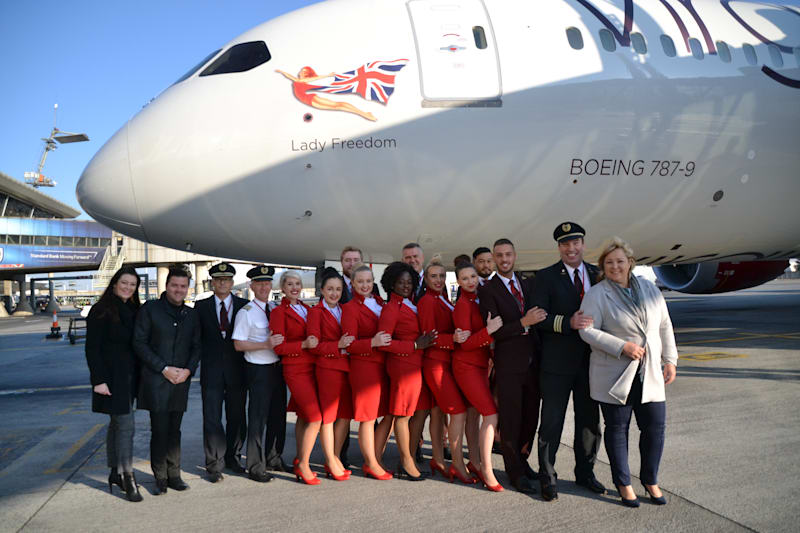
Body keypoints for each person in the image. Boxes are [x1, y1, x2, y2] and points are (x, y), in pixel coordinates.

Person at [578, 237, 678, 507]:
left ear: (630, 263)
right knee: (618, 430)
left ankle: (650, 480)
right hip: (616, 374)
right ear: (603, 266)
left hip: (649, 372)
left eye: (620, 261)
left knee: (655, 428)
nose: (615, 266)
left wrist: (670, 359)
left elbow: (664, 325)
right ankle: (623, 483)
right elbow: (586, 330)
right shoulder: (597, 294)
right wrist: (622, 346)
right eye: (609, 262)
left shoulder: (648, 288)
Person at [532, 222, 605, 501]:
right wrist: (567, 323)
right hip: (557, 363)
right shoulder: (546, 277)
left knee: (589, 422)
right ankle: (548, 477)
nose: (571, 248)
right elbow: (537, 315)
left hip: (591, 363)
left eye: (576, 243)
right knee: (551, 422)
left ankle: (586, 474)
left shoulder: (598, 274)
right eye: (565, 244)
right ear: (559, 248)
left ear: (583, 244)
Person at [478, 239, 546, 494]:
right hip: (509, 364)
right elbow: (494, 332)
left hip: (534, 362)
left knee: (531, 417)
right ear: (494, 258)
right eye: (499, 255)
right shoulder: (488, 290)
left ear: (515, 255)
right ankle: (514, 471)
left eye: (508, 254)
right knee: (511, 419)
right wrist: (523, 322)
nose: (504, 259)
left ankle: (522, 461)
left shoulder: (528, 284)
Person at [133, 265, 200, 495]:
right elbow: (139, 343)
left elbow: (196, 347)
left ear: (187, 288)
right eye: (175, 285)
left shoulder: (191, 315)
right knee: (160, 429)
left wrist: (188, 371)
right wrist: (163, 368)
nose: (179, 290)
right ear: (166, 285)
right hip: (156, 380)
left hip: (180, 381)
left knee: (175, 430)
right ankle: (160, 477)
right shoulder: (150, 309)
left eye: (183, 286)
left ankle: (175, 474)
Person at [85, 266, 143, 502]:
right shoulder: (101, 310)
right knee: (126, 425)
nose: (128, 287)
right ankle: (128, 475)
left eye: (133, 284)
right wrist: (98, 380)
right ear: (115, 283)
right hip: (112, 378)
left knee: (116, 425)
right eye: (124, 282)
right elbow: (92, 349)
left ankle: (113, 472)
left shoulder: (135, 309)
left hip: (132, 376)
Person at [417, 258, 474, 484]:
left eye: (442, 276)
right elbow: (428, 336)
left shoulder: (442, 298)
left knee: (439, 412)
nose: (439, 280)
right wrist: (454, 339)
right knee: (457, 411)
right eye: (434, 276)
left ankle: (438, 459)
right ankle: (457, 463)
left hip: (446, 362)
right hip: (436, 363)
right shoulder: (427, 302)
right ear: (426, 279)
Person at [378, 262, 436, 480]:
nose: (406, 286)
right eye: (401, 282)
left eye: (409, 282)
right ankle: (406, 463)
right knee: (402, 416)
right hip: (403, 366)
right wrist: (413, 346)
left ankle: (410, 455)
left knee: (420, 411)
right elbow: (384, 343)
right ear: (391, 284)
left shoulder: (410, 304)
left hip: (416, 365)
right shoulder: (391, 308)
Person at [451, 262, 505, 492]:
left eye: (473, 276)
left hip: (481, 365)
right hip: (467, 366)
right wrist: (489, 331)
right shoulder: (462, 305)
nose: (471, 281)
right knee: (491, 414)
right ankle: (487, 469)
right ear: (459, 282)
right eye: (465, 279)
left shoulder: (480, 298)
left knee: (476, 413)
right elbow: (465, 345)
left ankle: (474, 461)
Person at [232, 265, 287, 483]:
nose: (264, 287)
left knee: (278, 416)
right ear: (252, 286)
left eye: (267, 283)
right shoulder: (246, 312)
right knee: (258, 418)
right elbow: (238, 344)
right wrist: (264, 344)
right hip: (258, 370)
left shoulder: (274, 308)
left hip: (277, 368)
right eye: (260, 283)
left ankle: (274, 457)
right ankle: (255, 465)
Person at [194, 262, 249, 482]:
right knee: (212, 418)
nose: (223, 283)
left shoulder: (245, 306)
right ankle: (214, 464)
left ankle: (233, 457)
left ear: (232, 282)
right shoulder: (200, 307)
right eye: (218, 280)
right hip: (212, 372)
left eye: (226, 279)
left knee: (237, 417)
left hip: (238, 372)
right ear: (213, 283)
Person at [342, 264, 394, 480]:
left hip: (384, 364)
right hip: (364, 366)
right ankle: (370, 463)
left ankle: (376, 456)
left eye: (368, 281)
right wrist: (372, 342)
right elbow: (349, 344)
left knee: (390, 412)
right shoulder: (350, 308)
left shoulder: (380, 302)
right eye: (360, 281)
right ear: (352, 283)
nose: (365, 285)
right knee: (367, 417)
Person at [270, 270, 322, 485]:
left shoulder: (306, 308)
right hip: (295, 368)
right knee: (315, 417)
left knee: (303, 416)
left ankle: (301, 457)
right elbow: (279, 347)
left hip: (311, 367)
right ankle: (303, 465)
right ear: (282, 288)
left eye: (297, 283)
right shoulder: (278, 312)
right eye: (290, 284)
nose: (294, 287)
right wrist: (303, 344)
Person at [307, 268, 354, 481]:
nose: (334, 293)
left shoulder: (346, 309)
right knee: (329, 418)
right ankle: (331, 460)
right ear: (322, 290)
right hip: (328, 369)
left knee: (344, 415)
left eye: (338, 289)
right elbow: (314, 347)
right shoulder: (315, 312)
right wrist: (338, 345)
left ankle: (334, 457)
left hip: (347, 367)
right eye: (330, 289)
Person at [275, 67, 377, 121]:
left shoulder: (306, 80)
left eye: (303, 71)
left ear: (306, 74)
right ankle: (365, 114)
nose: (301, 72)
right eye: (302, 70)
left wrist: (328, 75)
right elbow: (289, 76)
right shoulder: (297, 80)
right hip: (309, 101)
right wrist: (282, 72)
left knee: (338, 104)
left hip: (310, 98)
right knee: (338, 107)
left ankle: (365, 114)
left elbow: (316, 78)